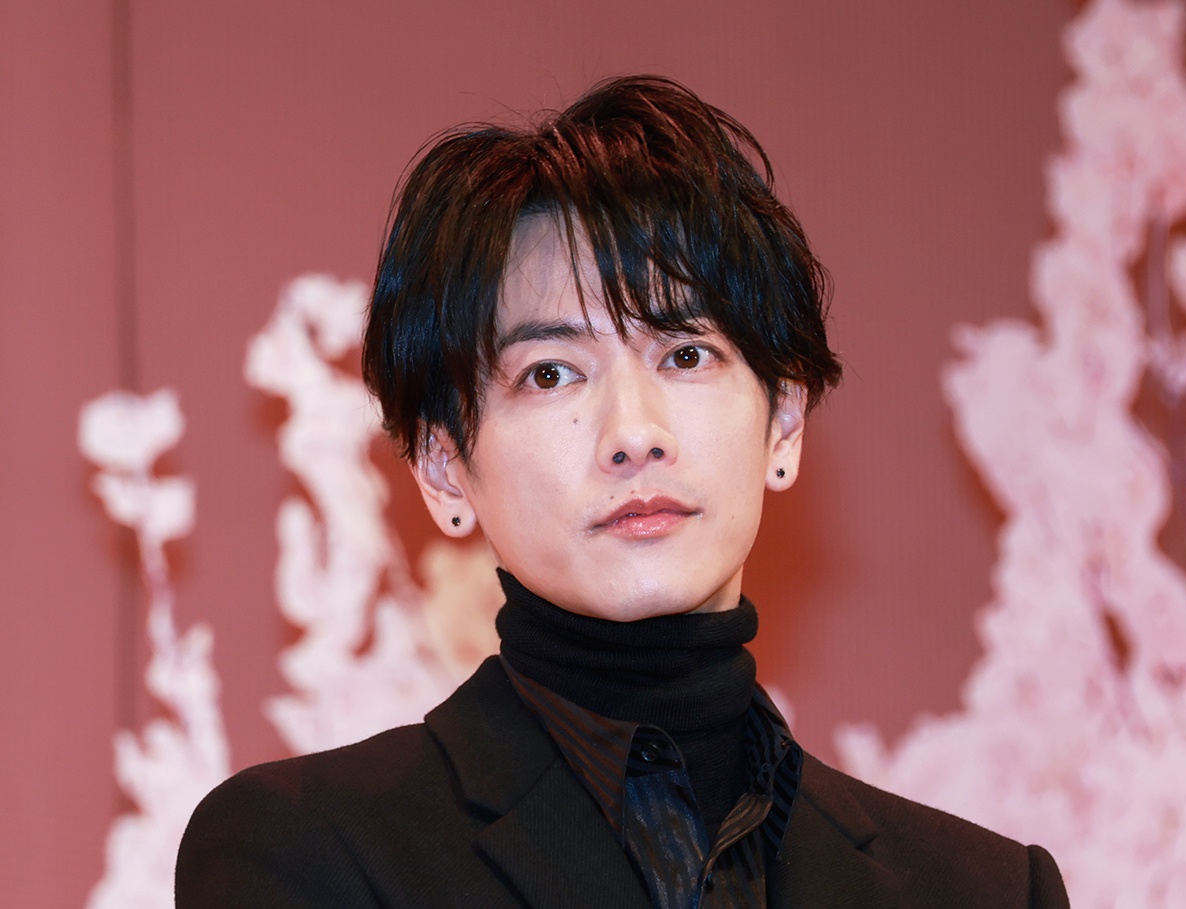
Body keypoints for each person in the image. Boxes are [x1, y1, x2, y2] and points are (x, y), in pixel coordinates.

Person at [176, 75, 1070, 908]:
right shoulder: (310, 852)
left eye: (686, 354)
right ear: (444, 466)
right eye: (551, 373)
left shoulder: (986, 890)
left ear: (784, 422)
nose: (634, 433)